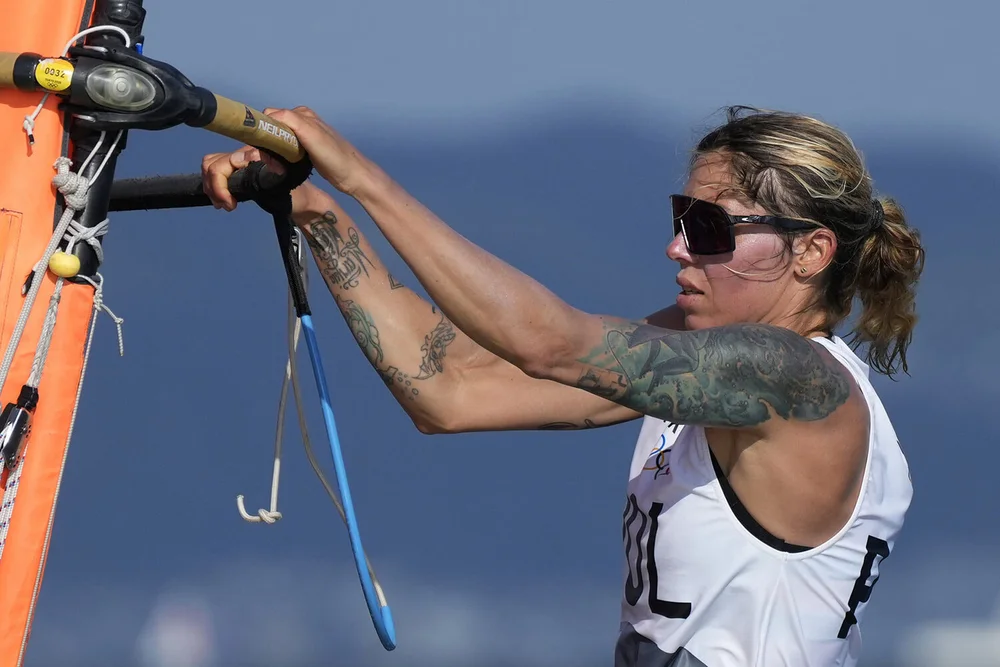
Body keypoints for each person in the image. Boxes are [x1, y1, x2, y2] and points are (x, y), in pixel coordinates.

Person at [201, 105, 925, 666]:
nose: (677, 247)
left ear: (811, 252)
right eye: (681, 218)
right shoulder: (705, 359)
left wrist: (360, 175)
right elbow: (449, 387)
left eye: (709, 227)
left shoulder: (794, 377)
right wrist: (317, 210)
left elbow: (548, 344)